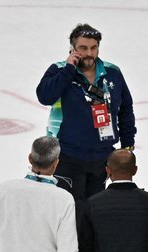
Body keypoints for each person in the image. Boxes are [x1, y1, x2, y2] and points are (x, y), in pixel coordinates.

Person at [35, 23, 136, 202]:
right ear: (72, 49)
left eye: (93, 48)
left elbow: (126, 108)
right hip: (67, 156)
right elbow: (45, 97)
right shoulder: (59, 70)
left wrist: (127, 144)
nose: (89, 53)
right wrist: (68, 70)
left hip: (102, 157)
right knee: (69, 209)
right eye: (83, 48)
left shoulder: (112, 72)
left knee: (95, 210)